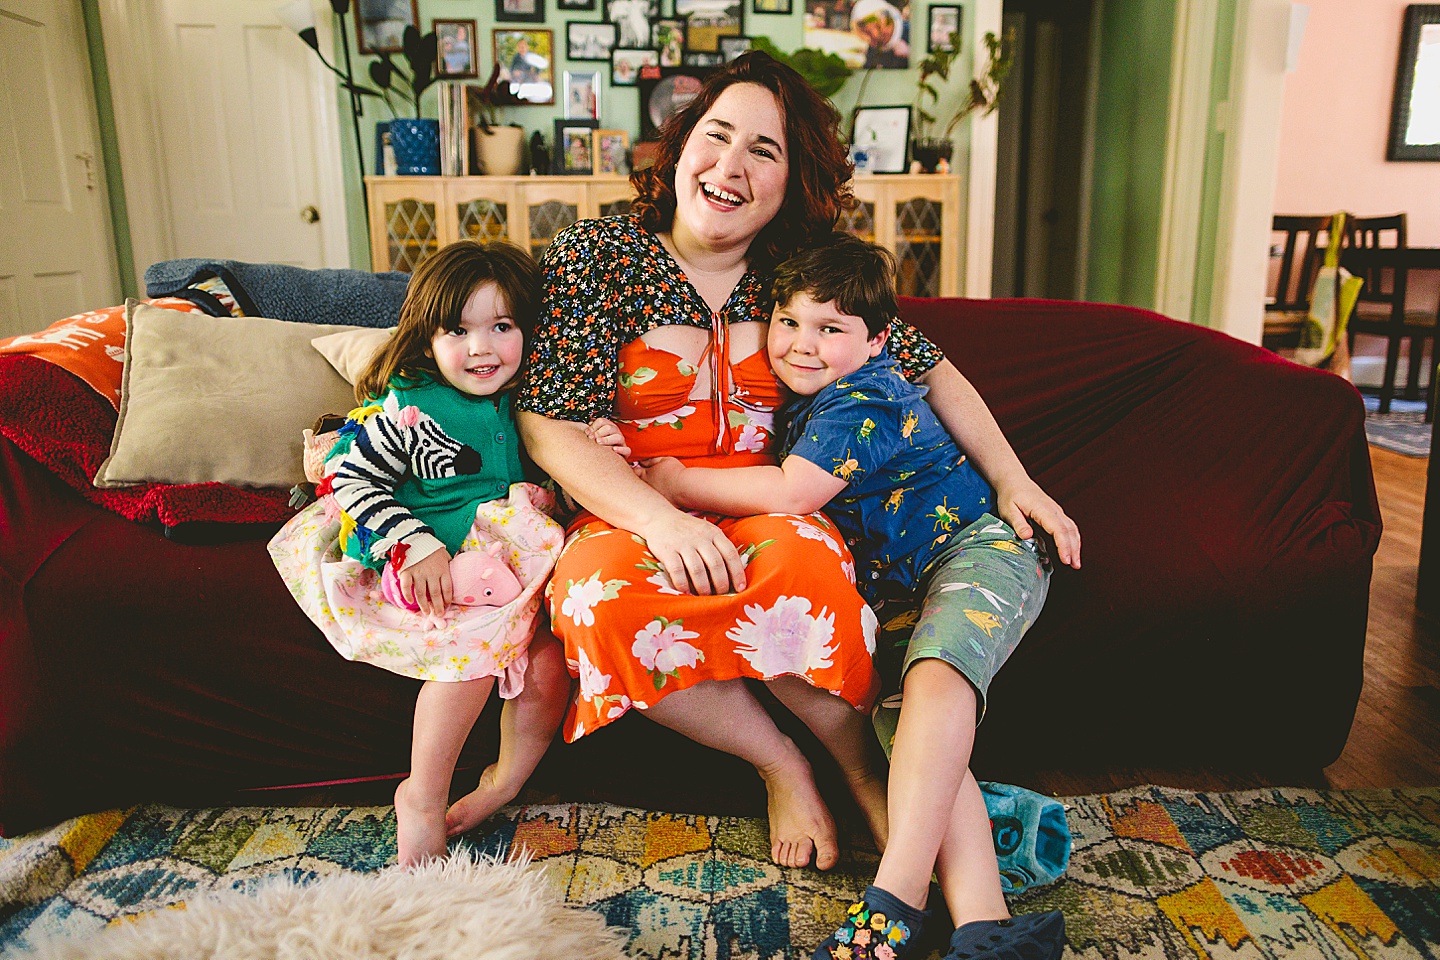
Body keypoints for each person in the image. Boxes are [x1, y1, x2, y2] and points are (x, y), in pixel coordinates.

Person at [517, 51, 1080, 876]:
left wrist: (1013, 478)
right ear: (678, 148)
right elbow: (548, 420)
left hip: (775, 500)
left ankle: (859, 773)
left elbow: (929, 369)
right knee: (599, 604)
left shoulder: (803, 267)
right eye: (716, 137)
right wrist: (660, 519)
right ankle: (780, 765)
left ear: (793, 181)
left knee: (807, 585)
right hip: (631, 505)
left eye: (765, 151)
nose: (730, 167)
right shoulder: (598, 257)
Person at [630, 234, 1068, 960]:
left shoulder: (869, 391)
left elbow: (796, 492)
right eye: (789, 322)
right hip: (902, 592)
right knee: (906, 727)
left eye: (830, 329)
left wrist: (675, 484)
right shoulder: (808, 399)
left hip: (979, 551)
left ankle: (897, 899)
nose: (802, 345)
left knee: (934, 675)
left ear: (877, 340)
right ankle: (991, 928)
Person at [268, 241, 571, 868]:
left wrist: (598, 441)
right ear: (427, 339)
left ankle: (504, 783)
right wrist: (414, 543)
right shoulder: (412, 406)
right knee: (470, 665)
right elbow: (352, 477)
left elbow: (561, 467)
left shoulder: (531, 399)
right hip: (431, 553)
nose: (481, 347)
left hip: (509, 564)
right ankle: (423, 796)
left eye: (502, 327)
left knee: (547, 671)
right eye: (457, 330)